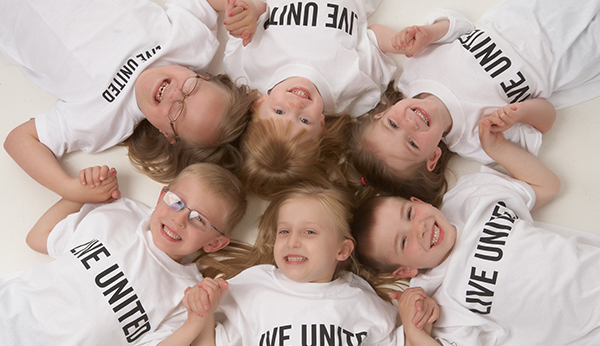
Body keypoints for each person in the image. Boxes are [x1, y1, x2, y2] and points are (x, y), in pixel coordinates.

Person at [351, 114, 600, 344]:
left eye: (409, 214)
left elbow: (546, 186)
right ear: (406, 270)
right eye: (403, 241)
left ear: (419, 201)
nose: (420, 228)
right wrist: (414, 332)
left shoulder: (470, 197)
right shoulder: (437, 302)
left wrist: (498, 147)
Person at [1, 0, 259, 204]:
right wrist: (241, 9)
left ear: (169, 135)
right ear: (203, 75)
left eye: (178, 113)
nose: (175, 95)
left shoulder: (102, 122)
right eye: (192, 88)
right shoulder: (187, 44)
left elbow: (20, 139)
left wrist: (67, 188)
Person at [349, 0, 600, 206]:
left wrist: (430, 33)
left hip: (525, 13)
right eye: (412, 143)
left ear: (382, 113)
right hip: (566, 57)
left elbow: (462, 27)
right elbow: (548, 116)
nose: (410, 124)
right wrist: (521, 112)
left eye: (393, 125)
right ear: (432, 157)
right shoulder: (479, 139)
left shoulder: (414, 70)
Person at [161, 183, 440, 345]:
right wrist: (203, 310)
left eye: (309, 232)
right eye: (284, 231)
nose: (292, 241)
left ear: (342, 250)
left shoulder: (361, 300)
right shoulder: (254, 286)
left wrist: (417, 321)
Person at [0, 162, 248, 345]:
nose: (179, 218)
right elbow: (39, 237)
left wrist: (197, 320)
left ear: (215, 244)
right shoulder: (120, 213)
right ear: (161, 196)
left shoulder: (186, 295)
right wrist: (81, 192)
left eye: (199, 219)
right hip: (10, 310)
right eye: (176, 201)